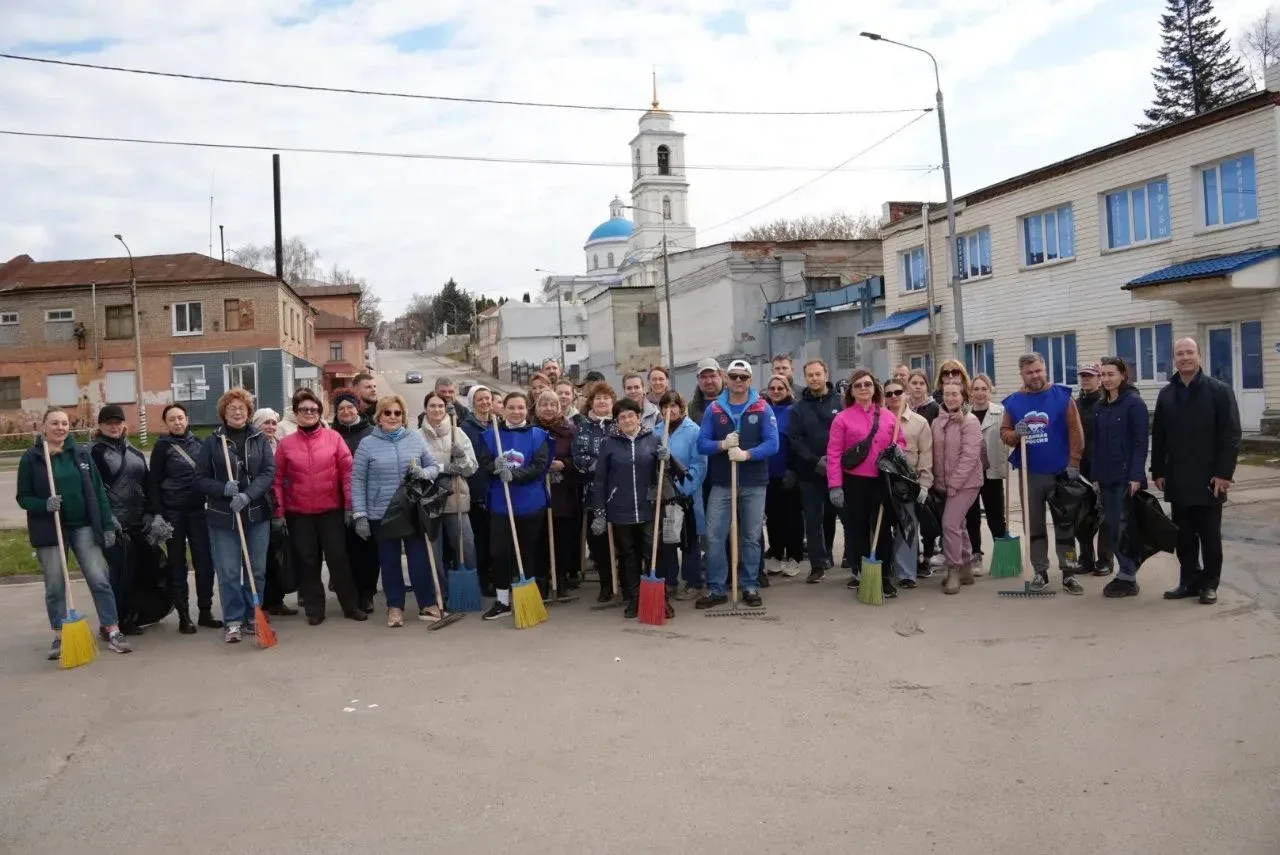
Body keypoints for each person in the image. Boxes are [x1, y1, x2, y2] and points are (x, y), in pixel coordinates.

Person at [18, 407, 132, 658]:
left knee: (99, 578)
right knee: (55, 585)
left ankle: (112, 630)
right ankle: (61, 634)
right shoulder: (32, 458)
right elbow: (23, 497)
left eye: (64, 423)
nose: (60, 428)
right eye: (54, 423)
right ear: (43, 426)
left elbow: (98, 491)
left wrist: (106, 524)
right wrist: (44, 504)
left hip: (83, 526)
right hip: (51, 529)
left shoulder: (80, 453)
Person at [1151, 338, 1241, 605]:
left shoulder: (1219, 390)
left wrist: (1224, 473)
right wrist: (1158, 470)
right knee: (1184, 537)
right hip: (1178, 477)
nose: (1185, 357)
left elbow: (1231, 435)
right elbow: (1159, 436)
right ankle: (1189, 581)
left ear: (1199, 356)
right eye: (1180, 353)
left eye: (1190, 352)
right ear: (1174, 359)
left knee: (1210, 536)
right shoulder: (1167, 394)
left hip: (1209, 478)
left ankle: (1209, 584)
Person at [274, 388, 365, 625]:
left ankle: (350, 606)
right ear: (296, 413)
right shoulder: (286, 444)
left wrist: (350, 506)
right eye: (303, 409)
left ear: (320, 412)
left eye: (313, 409)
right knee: (308, 561)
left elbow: (347, 473)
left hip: (331, 510)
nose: (309, 413)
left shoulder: (333, 438)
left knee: (338, 558)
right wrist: (279, 512)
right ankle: (315, 609)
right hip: (299, 513)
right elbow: (277, 480)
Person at [1000, 352, 1087, 595]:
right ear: (1022, 374)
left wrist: (1074, 462)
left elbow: (1075, 429)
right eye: (1030, 372)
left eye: (1038, 370)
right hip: (1030, 473)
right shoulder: (1013, 402)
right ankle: (1040, 570)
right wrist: (1015, 434)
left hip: (1061, 472)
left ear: (1045, 369)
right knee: (1034, 524)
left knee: (1065, 525)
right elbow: (1005, 432)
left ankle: (1069, 571)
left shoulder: (1062, 396)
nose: (1035, 376)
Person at [695, 358, 778, 609]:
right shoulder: (714, 409)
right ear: (727, 379)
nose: (738, 381)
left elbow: (772, 444)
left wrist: (747, 454)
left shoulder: (762, 407)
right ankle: (717, 588)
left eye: (743, 377)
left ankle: (749, 584)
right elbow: (702, 444)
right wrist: (722, 445)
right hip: (722, 483)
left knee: (751, 536)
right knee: (714, 536)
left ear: (750, 380)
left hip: (754, 482)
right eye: (734, 376)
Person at [351, 394, 441, 627]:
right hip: (381, 512)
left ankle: (427, 603)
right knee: (389, 562)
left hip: (411, 510)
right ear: (379, 417)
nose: (393, 417)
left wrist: (424, 473)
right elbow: (358, 480)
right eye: (387, 412)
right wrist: (360, 514)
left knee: (419, 560)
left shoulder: (415, 439)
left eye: (397, 413)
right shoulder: (367, 444)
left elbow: (433, 466)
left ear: (403, 416)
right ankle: (395, 607)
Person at [197, 388, 277, 643]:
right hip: (223, 516)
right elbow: (200, 478)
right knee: (229, 571)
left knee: (257, 569)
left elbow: (268, 472)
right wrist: (222, 489)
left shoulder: (259, 439)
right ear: (224, 412)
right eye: (232, 408)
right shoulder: (212, 442)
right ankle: (233, 619)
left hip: (256, 514)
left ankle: (254, 615)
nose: (237, 412)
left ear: (249, 412)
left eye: (242, 408)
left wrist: (248, 495)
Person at [827, 370, 906, 595]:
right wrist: (835, 485)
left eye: (867, 384)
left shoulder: (888, 416)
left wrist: (898, 451)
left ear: (874, 389)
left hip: (882, 480)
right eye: (858, 385)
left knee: (882, 530)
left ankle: (884, 576)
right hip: (854, 482)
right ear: (851, 391)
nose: (863, 388)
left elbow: (901, 442)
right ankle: (862, 573)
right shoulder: (842, 419)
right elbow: (834, 453)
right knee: (857, 529)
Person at [591, 398, 670, 618]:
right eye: (622, 417)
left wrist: (666, 460)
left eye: (630, 416)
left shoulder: (653, 439)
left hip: (648, 508)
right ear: (617, 421)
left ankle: (659, 598)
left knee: (653, 554)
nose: (627, 420)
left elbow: (663, 475)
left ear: (638, 417)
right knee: (628, 556)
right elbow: (600, 480)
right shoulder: (608, 443)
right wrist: (599, 512)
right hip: (620, 509)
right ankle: (635, 599)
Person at [477, 392, 551, 621]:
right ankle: (502, 601)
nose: (516, 412)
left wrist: (515, 475)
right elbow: (484, 464)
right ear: (503, 409)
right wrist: (494, 466)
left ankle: (525, 598)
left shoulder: (539, 435)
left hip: (530, 503)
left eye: (520, 407)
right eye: (511, 407)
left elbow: (540, 466)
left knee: (527, 552)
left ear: (527, 410)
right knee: (499, 553)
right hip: (501, 503)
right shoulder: (491, 435)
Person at [149, 402, 220, 633]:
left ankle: (205, 611)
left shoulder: (199, 443)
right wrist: (158, 513)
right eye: (172, 419)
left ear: (187, 419)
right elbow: (154, 482)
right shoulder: (162, 448)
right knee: (177, 564)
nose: (177, 422)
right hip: (173, 513)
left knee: (205, 562)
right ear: (166, 423)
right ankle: (184, 615)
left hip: (199, 511)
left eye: (180, 418)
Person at [90, 404, 152, 636]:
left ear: (123, 424)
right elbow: (94, 491)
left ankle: (129, 617)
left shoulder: (133, 451)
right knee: (118, 574)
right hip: (113, 526)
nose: (114, 426)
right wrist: (108, 519)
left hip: (138, 523)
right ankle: (110, 622)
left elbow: (147, 484)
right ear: (100, 425)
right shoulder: (94, 453)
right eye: (109, 423)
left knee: (135, 573)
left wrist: (151, 513)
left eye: (117, 422)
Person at [1092, 357, 1150, 599]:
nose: (1106, 379)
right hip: (1105, 477)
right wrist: (1095, 474)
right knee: (1112, 527)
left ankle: (1128, 576)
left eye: (1111, 374)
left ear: (1123, 375)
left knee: (1123, 528)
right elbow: (1096, 444)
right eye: (1103, 375)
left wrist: (1136, 475)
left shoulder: (1134, 404)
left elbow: (1140, 442)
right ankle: (1125, 572)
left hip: (1125, 478)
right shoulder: (1100, 406)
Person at [788, 359, 843, 584]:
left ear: (826, 374)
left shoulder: (841, 402)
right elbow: (795, 439)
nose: (814, 378)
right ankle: (817, 565)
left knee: (847, 517)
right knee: (812, 520)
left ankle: (854, 560)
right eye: (810, 375)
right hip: (810, 473)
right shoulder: (798, 408)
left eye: (818, 374)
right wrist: (815, 461)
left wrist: (835, 461)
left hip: (839, 470)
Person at [420, 390, 480, 592]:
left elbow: (471, 469)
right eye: (432, 406)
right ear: (425, 409)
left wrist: (461, 457)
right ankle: (441, 592)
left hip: (456, 497)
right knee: (433, 552)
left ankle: (470, 588)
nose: (437, 409)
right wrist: (443, 468)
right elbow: (414, 469)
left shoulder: (458, 433)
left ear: (446, 409)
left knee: (466, 545)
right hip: (429, 500)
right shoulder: (416, 437)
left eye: (440, 406)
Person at [932, 381, 985, 594]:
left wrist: (954, 483)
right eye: (947, 394)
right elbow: (935, 454)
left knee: (949, 524)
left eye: (955, 394)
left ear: (963, 397)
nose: (950, 398)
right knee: (959, 524)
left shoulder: (970, 421)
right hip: (944, 483)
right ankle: (965, 569)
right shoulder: (937, 422)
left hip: (967, 483)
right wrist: (938, 481)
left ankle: (953, 569)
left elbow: (970, 456)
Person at [654, 391, 707, 600]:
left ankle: (694, 582)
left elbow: (700, 464)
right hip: (664, 494)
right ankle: (669, 581)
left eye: (673, 406)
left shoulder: (694, 431)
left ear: (681, 407)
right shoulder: (656, 431)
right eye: (665, 406)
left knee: (688, 539)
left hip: (687, 495)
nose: (670, 410)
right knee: (667, 538)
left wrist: (684, 488)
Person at [331, 388, 379, 613]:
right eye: (341, 408)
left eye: (350, 407)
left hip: (367, 499)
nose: (346, 411)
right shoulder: (331, 434)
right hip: (337, 500)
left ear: (357, 408)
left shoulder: (372, 433)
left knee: (367, 548)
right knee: (345, 549)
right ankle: (350, 593)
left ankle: (367, 593)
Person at [883, 377, 932, 587]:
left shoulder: (919, 423)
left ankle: (905, 574)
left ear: (906, 394)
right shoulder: (878, 420)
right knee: (882, 528)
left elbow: (926, 454)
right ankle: (886, 568)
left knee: (907, 527)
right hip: (882, 481)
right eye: (889, 394)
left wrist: (925, 484)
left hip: (908, 483)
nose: (894, 397)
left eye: (898, 392)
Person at [573, 380, 619, 602]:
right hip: (593, 493)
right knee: (598, 541)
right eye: (597, 398)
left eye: (606, 398)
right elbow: (579, 457)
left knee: (622, 540)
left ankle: (624, 583)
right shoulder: (583, 427)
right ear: (591, 402)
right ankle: (606, 584)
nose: (602, 402)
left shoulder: (620, 424)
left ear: (612, 402)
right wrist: (600, 467)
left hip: (620, 492)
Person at [533, 390, 580, 595]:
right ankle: (542, 581)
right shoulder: (531, 430)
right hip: (537, 492)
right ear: (537, 408)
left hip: (563, 493)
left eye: (553, 404)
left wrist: (564, 464)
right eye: (544, 404)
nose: (549, 408)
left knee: (562, 539)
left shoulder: (569, 430)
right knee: (540, 539)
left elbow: (578, 458)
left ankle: (561, 580)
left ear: (559, 407)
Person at [252, 407, 298, 616]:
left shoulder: (280, 445)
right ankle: (261, 602)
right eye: (266, 423)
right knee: (263, 557)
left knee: (279, 555)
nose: (270, 427)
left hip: (279, 505)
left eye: (273, 423)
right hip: (259, 506)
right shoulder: (252, 447)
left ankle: (276, 600)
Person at [966, 374, 1009, 568]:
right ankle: (975, 553)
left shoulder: (1001, 412)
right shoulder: (965, 414)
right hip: (969, 473)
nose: (980, 393)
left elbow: (1009, 436)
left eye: (984, 389)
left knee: (996, 515)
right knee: (972, 516)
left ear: (990, 391)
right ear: (970, 392)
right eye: (976, 389)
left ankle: (1003, 554)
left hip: (992, 472)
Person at [1074, 363, 1112, 576]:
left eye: (1090, 376)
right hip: (1080, 468)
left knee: (1105, 516)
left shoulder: (1106, 403)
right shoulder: (1074, 405)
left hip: (1103, 467)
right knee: (1082, 516)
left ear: (1099, 379)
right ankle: (1085, 558)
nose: (1086, 379)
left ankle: (1105, 560)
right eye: (1083, 376)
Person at [460, 385, 498, 596]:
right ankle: (484, 580)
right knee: (481, 540)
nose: (485, 402)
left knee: (497, 538)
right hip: (478, 488)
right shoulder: (466, 427)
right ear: (473, 403)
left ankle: (498, 577)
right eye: (480, 399)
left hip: (497, 488)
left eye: (487, 398)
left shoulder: (497, 423)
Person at [763, 375, 803, 572]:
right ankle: (776, 553)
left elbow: (798, 441)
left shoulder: (793, 411)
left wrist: (793, 469)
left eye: (780, 388)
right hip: (768, 474)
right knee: (773, 517)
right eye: (772, 388)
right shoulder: (764, 410)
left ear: (788, 390)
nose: (776, 391)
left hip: (789, 473)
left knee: (792, 517)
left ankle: (794, 556)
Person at [688, 358, 723, 425]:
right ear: (698, 379)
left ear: (720, 376)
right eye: (704, 377)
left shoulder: (733, 402)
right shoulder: (692, 408)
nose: (709, 381)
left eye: (713, 376)